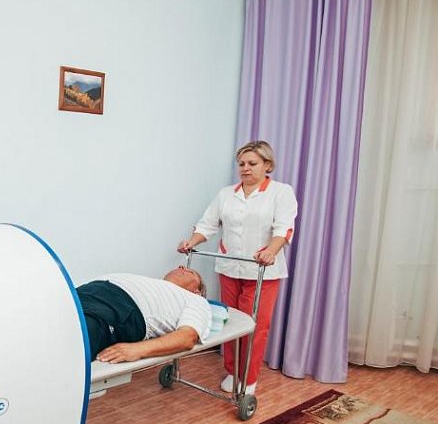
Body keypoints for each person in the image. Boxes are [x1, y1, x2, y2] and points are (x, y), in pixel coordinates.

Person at [177, 140, 298, 395]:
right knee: (230, 323)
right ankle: (232, 371)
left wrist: (271, 251)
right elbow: (208, 224)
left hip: (263, 272)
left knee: (255, 326)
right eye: (241, 164)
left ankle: (249, 377)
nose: (245, 168)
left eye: (252, 163)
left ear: (267, 165)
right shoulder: (226, 194)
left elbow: (284, 228)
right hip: (229, 268)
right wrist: (192, 242)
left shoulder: (281, 192)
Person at [77, 267, 211, 364]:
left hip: (119, 308)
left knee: (75, 337)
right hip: (86, 292)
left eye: (191, 272)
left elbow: (187, 337)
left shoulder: (197, 300)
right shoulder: (152, 283)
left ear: (197, 291)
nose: (182, 267)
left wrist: (138, 349)